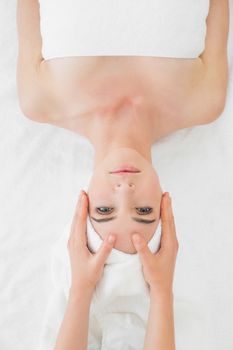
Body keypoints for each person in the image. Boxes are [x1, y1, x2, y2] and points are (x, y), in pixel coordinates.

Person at [16, 0, 229, 348]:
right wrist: (161, 293)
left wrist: (81, 289)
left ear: (81, 208)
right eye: (144, 212)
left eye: (104, 211)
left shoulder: (41, 100)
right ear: (165, 209)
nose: (124, 189)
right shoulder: (204, 100)